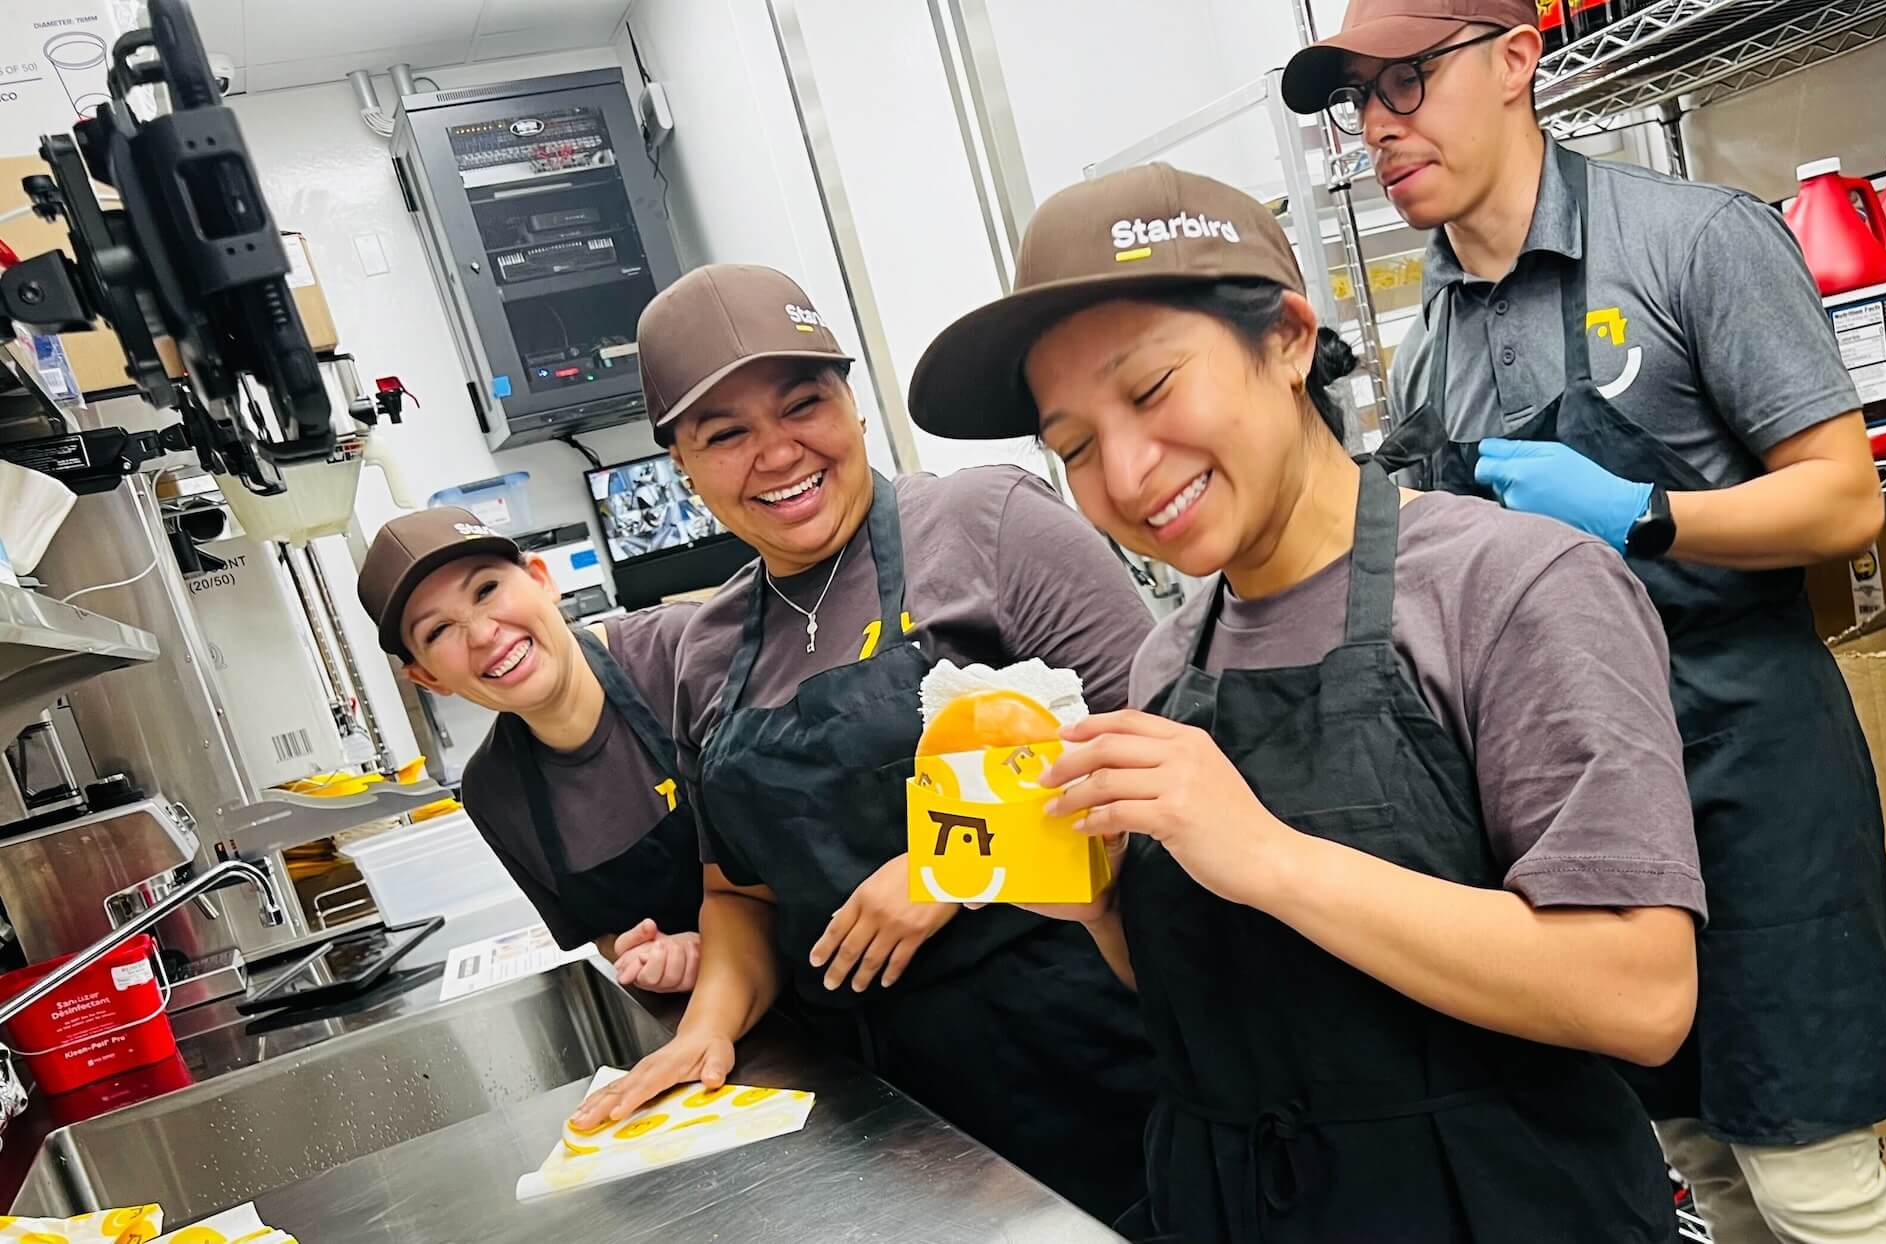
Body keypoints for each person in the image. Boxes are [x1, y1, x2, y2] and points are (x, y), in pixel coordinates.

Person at [906, 162, 1706, 1242]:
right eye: (1074, 447)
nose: (1128, 472)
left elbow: (1640, 995)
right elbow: (1219, 1002)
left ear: (1285, 339)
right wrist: (1099, 905)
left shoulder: (1511, 589)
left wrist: (1268, 855)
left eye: (1149, 392)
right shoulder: (1164, 665)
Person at [1281, 4, 1886, 1241]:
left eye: (1405, 80)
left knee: (1811, 1185)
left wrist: (1643, 514)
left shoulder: (1690, 242)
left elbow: (1847, 500)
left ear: (1516, 58)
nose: (1377, 124)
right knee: (1700, 1169)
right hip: (1588, 808)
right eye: (1355, 100)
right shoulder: (1433, 348)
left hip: (1749, 772)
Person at [567, 263, 1157, 1227]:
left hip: (1096, 1066)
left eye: (804, 404)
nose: (778, 453)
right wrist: (706, 1032)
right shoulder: (704, 650)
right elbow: (739, 892)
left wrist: (949, 863)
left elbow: (1163, 748)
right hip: (893, 1122)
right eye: (725, 435)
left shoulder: (987, 525)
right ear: (681, 466)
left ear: (853, 402)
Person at [357, 510, 703, 991]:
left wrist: (725, 946)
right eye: (438, 631)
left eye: (486, 590)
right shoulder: (493, 791)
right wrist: (647, 954)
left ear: (541, 579)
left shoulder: (684, 650)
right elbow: (600, 933)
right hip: (719, 1032)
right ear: (428, 678)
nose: (481, 634)